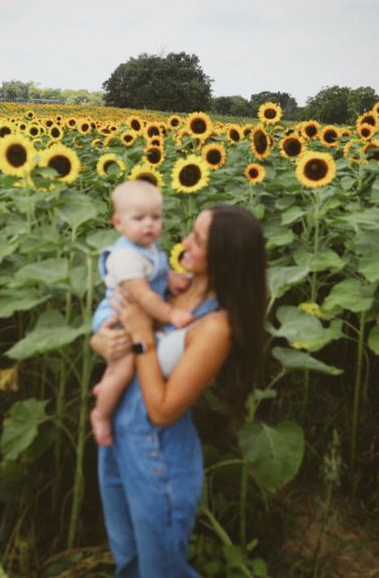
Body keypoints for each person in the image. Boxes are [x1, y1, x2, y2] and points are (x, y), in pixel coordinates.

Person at [91, 203, 267, 577]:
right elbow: (112, 319)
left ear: (222, 261)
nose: (184, 242)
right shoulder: (167, 287)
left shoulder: (215, 328)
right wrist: (102, 342)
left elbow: (162, 409)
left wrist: (141, 337)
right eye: (191, 231)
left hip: (159, 462)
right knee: (129, 562)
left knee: (162, 570)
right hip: (116, 443)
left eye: (198, 240)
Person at [91, 180, 193, 446]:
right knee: (125, 366)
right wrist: (171, 314)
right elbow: (144, 297)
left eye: (156, 217)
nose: (149, 224)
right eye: (139, 218)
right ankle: (100, 414)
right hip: (117, 317)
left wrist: (170, 278)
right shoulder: (125, 257)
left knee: (125, 366)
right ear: (118, 223)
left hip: (139, 315)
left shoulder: (147, 247)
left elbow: (153, 274)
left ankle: (108, 385)